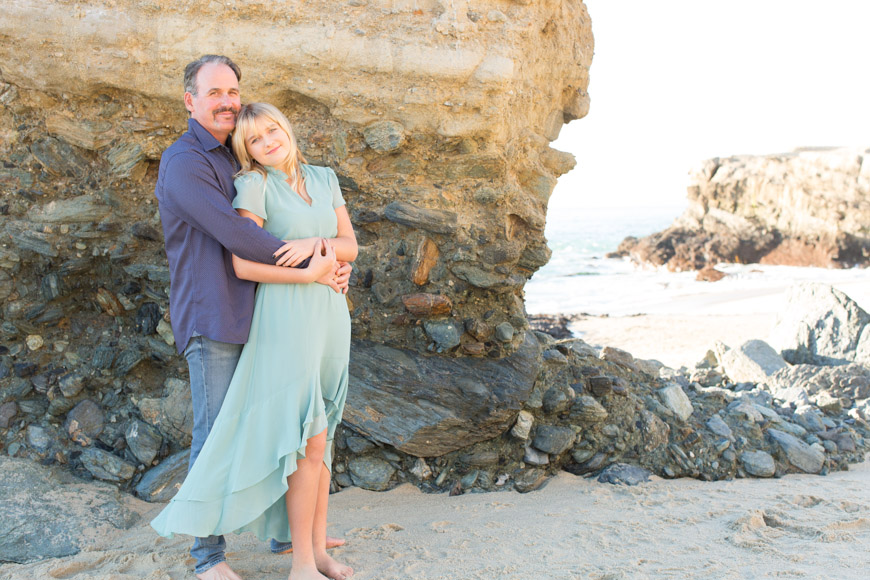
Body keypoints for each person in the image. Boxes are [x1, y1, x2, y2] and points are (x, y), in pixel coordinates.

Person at [152, 55, 348, 580]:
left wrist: (327, 259)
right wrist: (319, 264)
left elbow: (285, 212)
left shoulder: (236, 159)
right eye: (213, 92)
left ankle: (289, 532)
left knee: (280, 424)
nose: (226, 101)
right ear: (189, 100)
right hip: (213, 315)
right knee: (215, 431)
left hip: (262, 314)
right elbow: (238, 237)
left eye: (232, 91)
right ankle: (207, 558)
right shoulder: (185, 162)